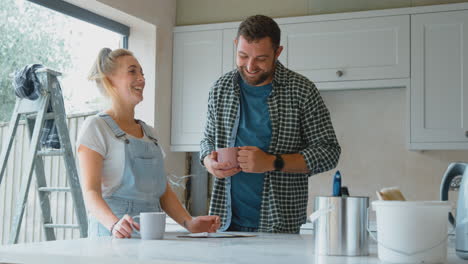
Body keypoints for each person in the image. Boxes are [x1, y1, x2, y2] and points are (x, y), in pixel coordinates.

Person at [201, 15, 341, 233]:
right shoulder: (220, 89)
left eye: (261, 59)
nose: (250, 66)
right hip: (224, 224)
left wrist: (272, 162)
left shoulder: (301, 90)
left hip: (280, 225)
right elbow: (208, 140)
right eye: (243, 55)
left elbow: (329, 152)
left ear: (278, 52)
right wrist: (207, 161)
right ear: (236, 45)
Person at [77, 48, 220, 238]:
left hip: (151, 237)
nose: (142, 79)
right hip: (111, 237)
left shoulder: (150, 133)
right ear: (110, 79)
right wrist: (114, 225)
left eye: (142, 73)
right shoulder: (95, 127)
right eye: (132, 71)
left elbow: (163, 192)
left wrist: (189, 223)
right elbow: (90, 192)